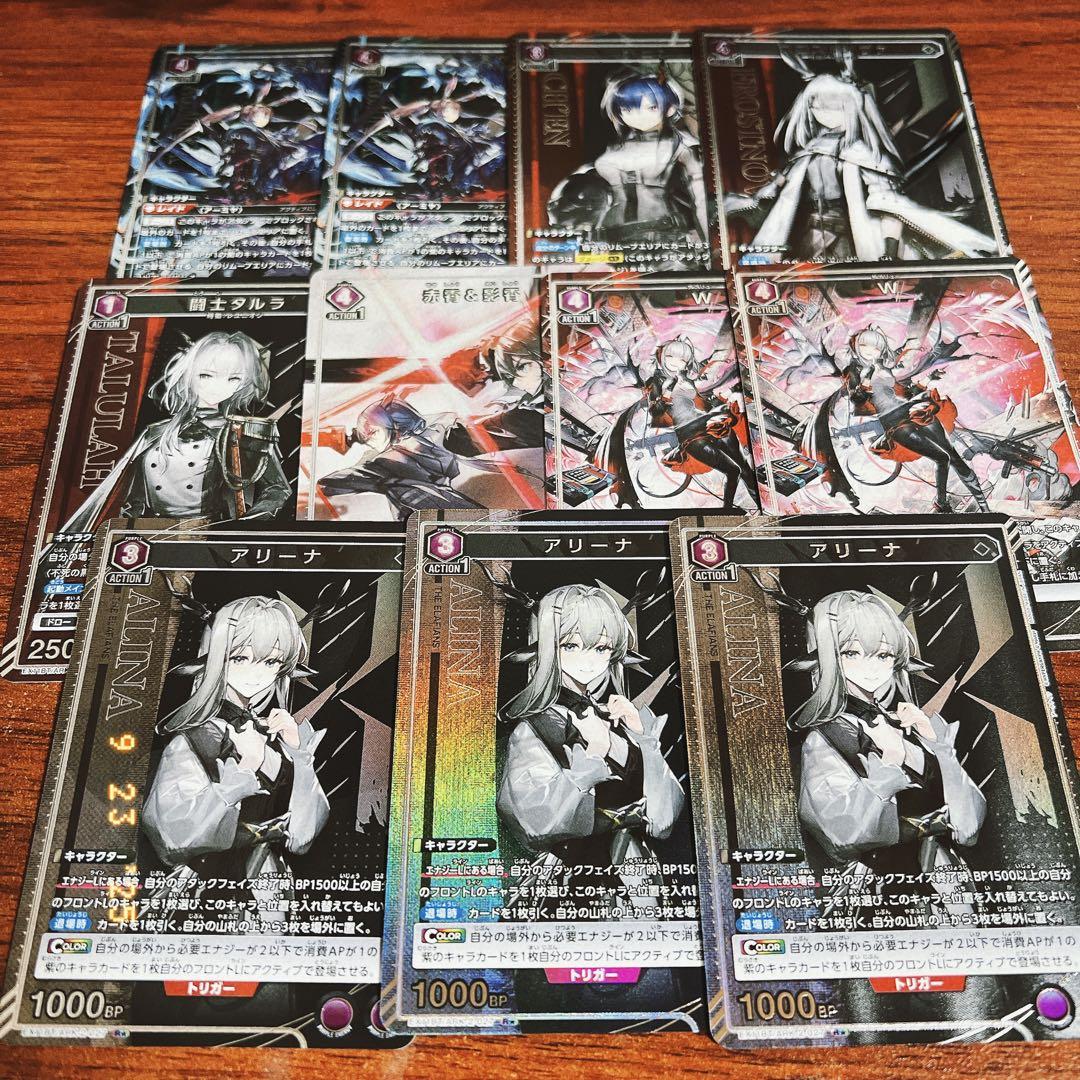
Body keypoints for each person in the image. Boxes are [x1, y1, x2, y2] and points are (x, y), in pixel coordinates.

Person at [497, 583, 683, 917]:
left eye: (600, 648)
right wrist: (587, 766)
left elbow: (664, 820)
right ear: (548, 647)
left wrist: (645, 742)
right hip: (573, 878)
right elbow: (532, 824)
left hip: (635, 873)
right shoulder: (535, 726)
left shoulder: (620, 719)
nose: (588, 661)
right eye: (570, 645)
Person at [141, 595, 329, 925]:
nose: (255, 674)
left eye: (271, 662)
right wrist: (239, 775)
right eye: (240, 657)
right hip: (207, 893)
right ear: (217, 657)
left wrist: (300, 757)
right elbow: (171, 838)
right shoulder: (194, 738)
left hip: (269, 891)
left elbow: (302, 837)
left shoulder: (276, 736)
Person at [789, 589, 985, 902]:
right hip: (882, 887)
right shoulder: (824, 737)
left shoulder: (913, 726)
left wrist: (941, 751)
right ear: (826, 656)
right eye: (851, 652)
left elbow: (969, 827)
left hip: (948, 881)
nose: (870, 667)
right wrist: (888, 767)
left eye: (882, 655)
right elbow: (840, 838)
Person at [725, 67, 997, 263]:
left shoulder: (864, 155)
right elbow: (778, 193)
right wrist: (747, 202)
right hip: (807, 236)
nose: (825, 112)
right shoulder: (805, 154)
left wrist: (888, 254)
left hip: (849, 238)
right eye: (817, 106)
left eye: (835, 106)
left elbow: (890, 207)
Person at [58, 331, 291, 532]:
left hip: (206, 535)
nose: (218, 386)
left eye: (233, 379)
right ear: (189, 373)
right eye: (206, 375)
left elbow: (278, 490)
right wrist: (123, 530)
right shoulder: (155, 433)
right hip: (145, 535)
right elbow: (125, 496)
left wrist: (245, 525)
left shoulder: (244, 433)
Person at [548, 73, 708, 261]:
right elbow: (575, 190)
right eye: (627, 109)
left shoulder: (680, 145)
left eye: (651, 107)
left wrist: (707, 242)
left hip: (662, 236)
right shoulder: (615, 147)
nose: (637, 116)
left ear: (670, 108)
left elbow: (700, 199)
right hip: (609, 239)